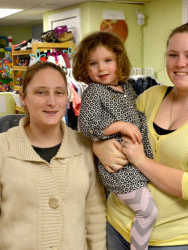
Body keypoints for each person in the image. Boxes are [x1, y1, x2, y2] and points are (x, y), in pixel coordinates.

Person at [93, 22, 188, 249]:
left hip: (169, 240)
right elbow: (112, 130)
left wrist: (140, 160)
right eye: (173, 55)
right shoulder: (151, 95)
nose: (180, 63)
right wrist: (98, 145)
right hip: (116, 225)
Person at [0, 62, 107, 250]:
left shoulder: (84, 147)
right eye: (41, 92)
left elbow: (95, 217)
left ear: (67, 98)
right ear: (23, 98)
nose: (51, 101)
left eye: (59, 92)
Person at [73, 31, 157, 250]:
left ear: (119, 60)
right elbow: (86, 126)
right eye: (93, 63)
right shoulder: (94, 91)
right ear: (85, 67)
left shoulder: (127, 87)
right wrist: (119, 126)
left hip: (135, 163)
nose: (101, 68)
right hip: (118, 168)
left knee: (146, 207)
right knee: (148, 211)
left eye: (107, 60)